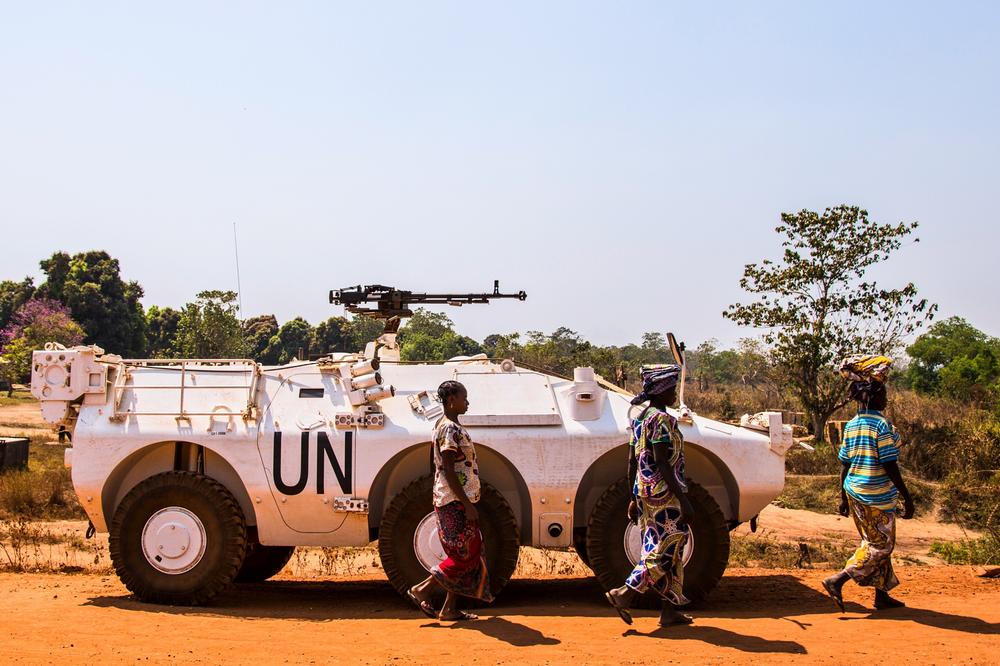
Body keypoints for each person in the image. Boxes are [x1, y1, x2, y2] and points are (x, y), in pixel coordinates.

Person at [605, 364, 695, 627]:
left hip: (645, 493)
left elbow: (632, 461)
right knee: (666, 549)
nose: (674, 395)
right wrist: (684, 498)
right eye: (671, 389)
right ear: (661, 390)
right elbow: (662, 462)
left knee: (671, 550)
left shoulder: (640, 419)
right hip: (664, 495)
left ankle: (670, 610)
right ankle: (624, 593)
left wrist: (633, 496)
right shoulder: (662, 420)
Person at [823, 354, 914, 612]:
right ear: (873, 397)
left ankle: (881, 597)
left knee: (872, 542)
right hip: (876, 496)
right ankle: (837, 580)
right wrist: (907, 497)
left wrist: (842, 498)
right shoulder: (883, 427)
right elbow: (890, 464)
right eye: (883, 393)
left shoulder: (851, 426)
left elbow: (845, 465)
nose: (886, 398)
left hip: (855, 493)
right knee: (881, 545)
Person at [407, 380, 493, 621]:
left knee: (466, 554)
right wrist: (466, 504)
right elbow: (447, 467)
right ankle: (422, 589)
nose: (467, 402)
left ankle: (449, 608)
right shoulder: (449, 429)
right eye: (464, 398)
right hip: (454, 502)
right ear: (452, 400)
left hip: (452, 499)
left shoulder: (447, 426)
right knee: (465, 556)